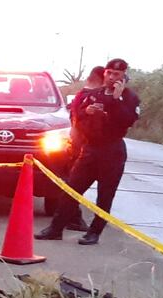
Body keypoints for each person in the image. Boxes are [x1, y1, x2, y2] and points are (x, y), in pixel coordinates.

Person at [36, 58, 140, 245]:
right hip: (90, 149)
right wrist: (88, 113)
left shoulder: (130, 98)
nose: (111, 77)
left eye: (116, 74)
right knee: (71, 190)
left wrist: (116, 100)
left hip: (112, 150)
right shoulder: (95, 94)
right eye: (108, 73)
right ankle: (55, 228)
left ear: (124, 76)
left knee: (105, 195)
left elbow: (128, 120)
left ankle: (94, 232)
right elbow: (77, 118)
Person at [58, 65, 105, 232]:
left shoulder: (79, 96)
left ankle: (72, 218)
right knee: (74, 186)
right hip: (82, 148)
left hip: (76, 146)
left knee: (73, 185)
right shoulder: (89, 97)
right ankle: (74, 219)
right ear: (103, 79)